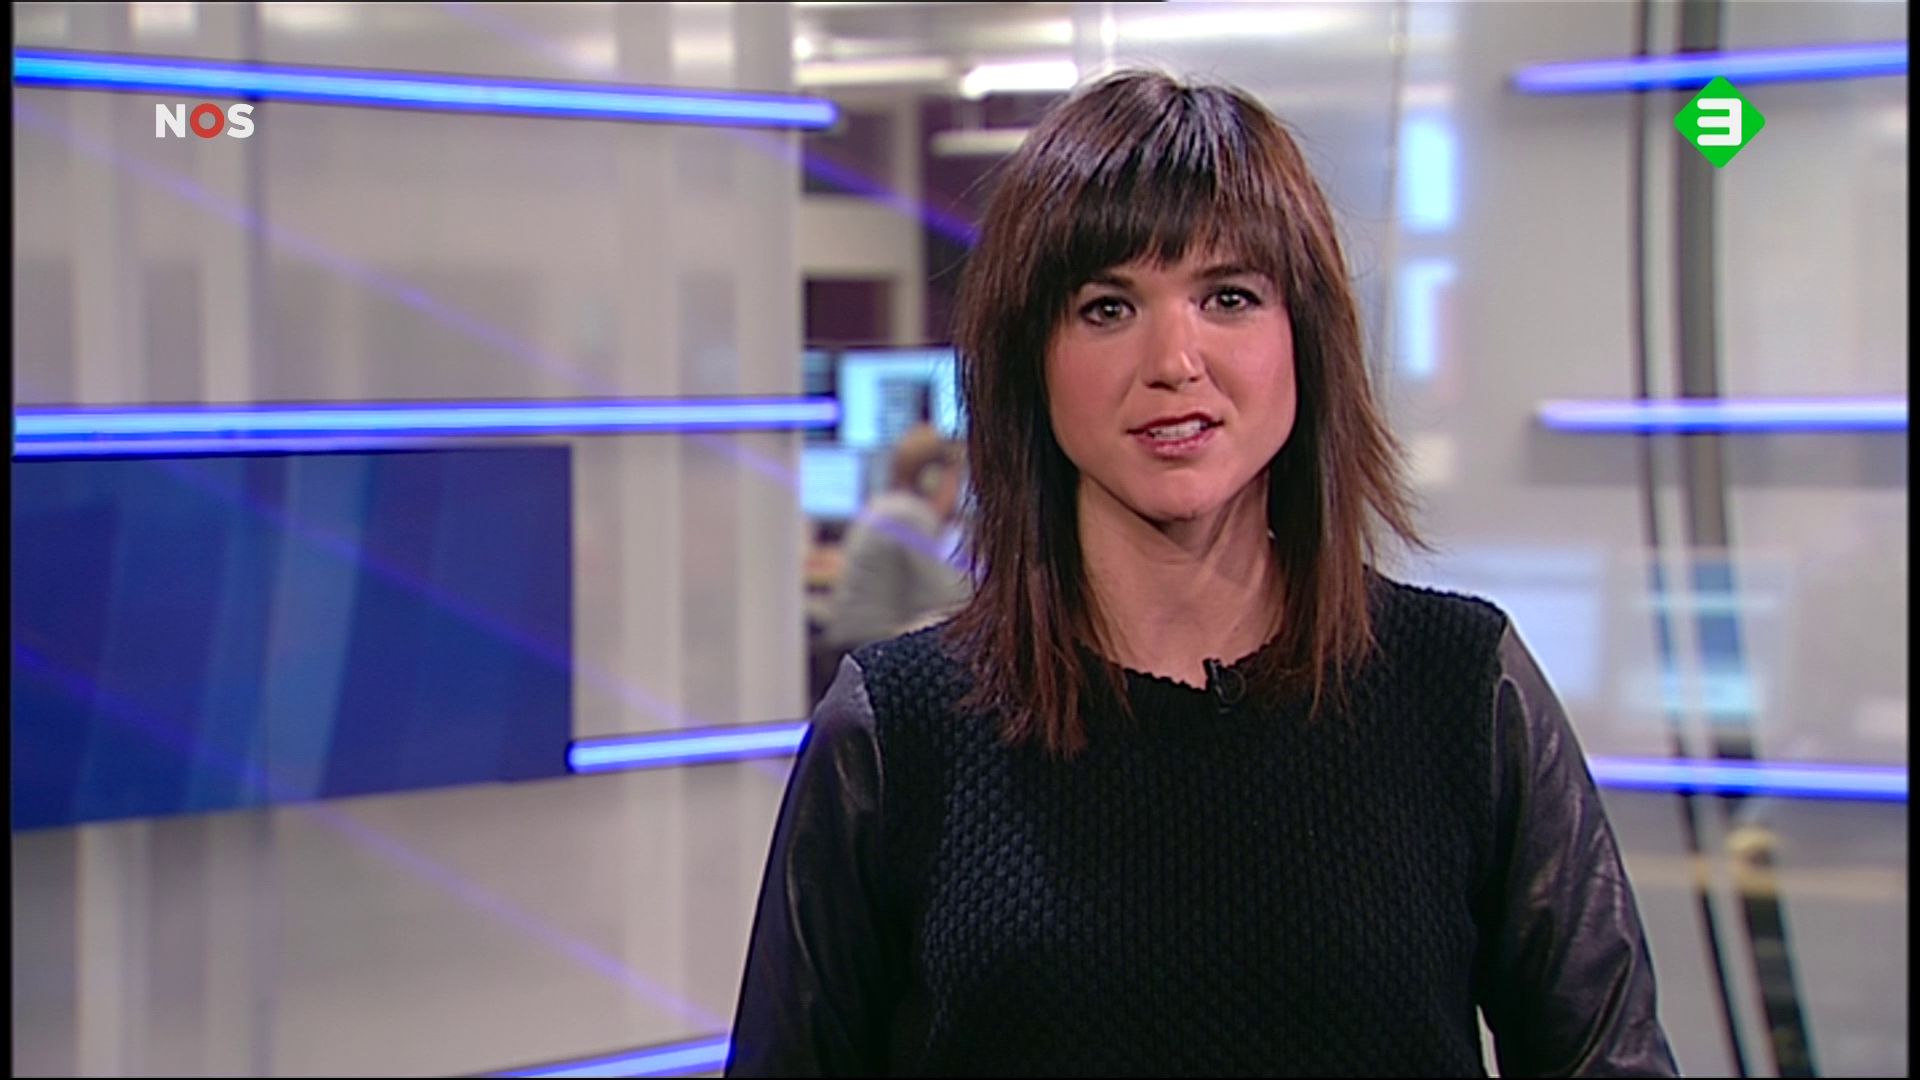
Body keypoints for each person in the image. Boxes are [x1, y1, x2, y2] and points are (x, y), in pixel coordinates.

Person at [728, 70, 1678, 1077]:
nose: (1175, 360)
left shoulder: (1460, 687)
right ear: (1029, 359)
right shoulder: (900, 732)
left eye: (1228, 298)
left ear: (1304, 336)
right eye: (1107, 307)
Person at [817, 422, 970, 653]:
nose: (959, 491)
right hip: (873, 641)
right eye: (956, 478)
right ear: (932, 479)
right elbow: (948, 597)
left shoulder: (886, 506)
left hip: (861, 640)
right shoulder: (907, 515)